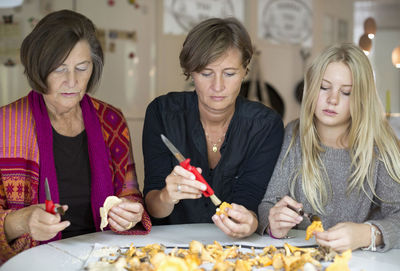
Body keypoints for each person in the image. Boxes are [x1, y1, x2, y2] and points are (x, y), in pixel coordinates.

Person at [0, 10, 151, 262]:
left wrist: (131, 213)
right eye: (59, 69)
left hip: (103, 259)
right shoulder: (5, 125)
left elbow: (130, 193)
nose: (72, 81)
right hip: (34, 262)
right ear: (38, 68)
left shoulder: (111, 120)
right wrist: (22, 221)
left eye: (82, 68)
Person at [142, 17, 284, 238]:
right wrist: (166, 197)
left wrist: (250, 221)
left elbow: (251, 199)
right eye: (206, 73)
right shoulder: (162, 113)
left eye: (229, 74)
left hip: (237, 248)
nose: (218, 86)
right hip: (169, 247)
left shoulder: (265, 126)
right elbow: (153, 207)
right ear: (190, 72)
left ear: (245, 70)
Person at [257, 43, 400, 252]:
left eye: (346, 92)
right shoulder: (293, 134)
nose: (332, 100)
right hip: (302, 259)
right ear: (311, 88)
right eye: (324, 87)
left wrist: (367, 234)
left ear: (361, 99)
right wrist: (273, 224)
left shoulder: (380, 147)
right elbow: (268, 204)